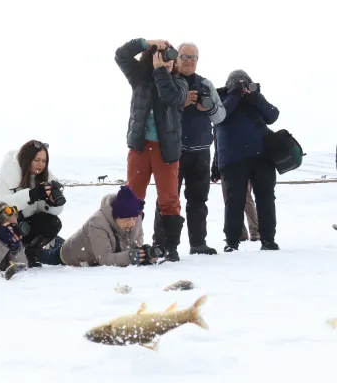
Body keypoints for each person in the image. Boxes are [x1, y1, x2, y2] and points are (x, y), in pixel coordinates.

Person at [114, 37, 189, 261]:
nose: (168, 60)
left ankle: (170, 248)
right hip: (139, 146)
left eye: (171, 57)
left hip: (166, 149)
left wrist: (160, 71)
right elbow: (121, 55)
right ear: (152, 57)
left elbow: (169, 96)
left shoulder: (180, 83)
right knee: (132, 199)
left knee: (169, 199)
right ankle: (130, 244)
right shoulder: (139, 78)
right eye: (163, 55)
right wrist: (145, 43)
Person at [150, 43, 225, 255]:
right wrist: (180, 104)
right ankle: (161, 244)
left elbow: (221, 117)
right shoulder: (167, 82)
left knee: (198, 200)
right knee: (167, 199)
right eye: (185, 57)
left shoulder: (205, 84)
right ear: (176, 58)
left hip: (200, 151)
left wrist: (209, 107)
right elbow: (156, 113)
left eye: (194, 57)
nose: (189, 61)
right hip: (173, 150)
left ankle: (198, 243)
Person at [213, 69, 281, 251]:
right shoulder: (221, 98)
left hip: (262, 157)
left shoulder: (255, 97)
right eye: (237, 83)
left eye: (245, 83)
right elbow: (219, 118)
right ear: (229, 85)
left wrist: (255, 97)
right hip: (233, 159)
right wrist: (235, 95)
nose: (242, 86)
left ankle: (268, 239)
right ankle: (232, 241)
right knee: (234, 200)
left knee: (266, 198)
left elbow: (273, 115)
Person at [0, 140, 64, 267]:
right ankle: (10, 254)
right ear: (26, 159)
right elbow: (3, 209)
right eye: (36, 160)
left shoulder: (45, 179)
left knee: (53, 223)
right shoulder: (8, 177)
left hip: (24, 225)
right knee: (15, 223)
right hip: (1, 227)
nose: (40, 164)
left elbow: (46, 211)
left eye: (44, 161)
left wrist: (51, 202)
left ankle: (29, 254)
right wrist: (32, 195)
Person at [59, 185, 151, 268]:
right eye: (126, 220)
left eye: (134, 219)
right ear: (116, 217)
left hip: (90, 253)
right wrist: (129, 257)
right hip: (68, 255)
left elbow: (134, 248)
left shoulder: (137, 220)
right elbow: (104, 259)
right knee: (51, 252)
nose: (131, 223)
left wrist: (146, 255)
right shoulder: (97, 223)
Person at [212, 136, 259, 241]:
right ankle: (241, 232)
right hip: (226, 164)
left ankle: (254, 231)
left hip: (239, 163)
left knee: (245, 198)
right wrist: (215, 167)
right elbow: (218, 148)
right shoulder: (217, 128)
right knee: (231, 200)